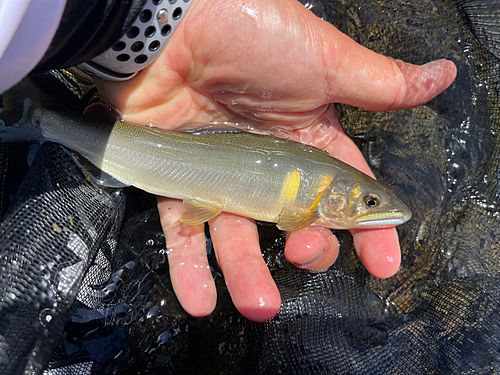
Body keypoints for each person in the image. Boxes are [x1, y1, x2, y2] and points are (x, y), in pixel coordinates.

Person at [0, 0, 457, 322]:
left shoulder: (319, 187)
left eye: (370, 203)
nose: (376, 211)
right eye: (371, 202)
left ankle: (37, 117)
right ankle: (35, 117)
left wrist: (162, 17)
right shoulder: (309, 205)